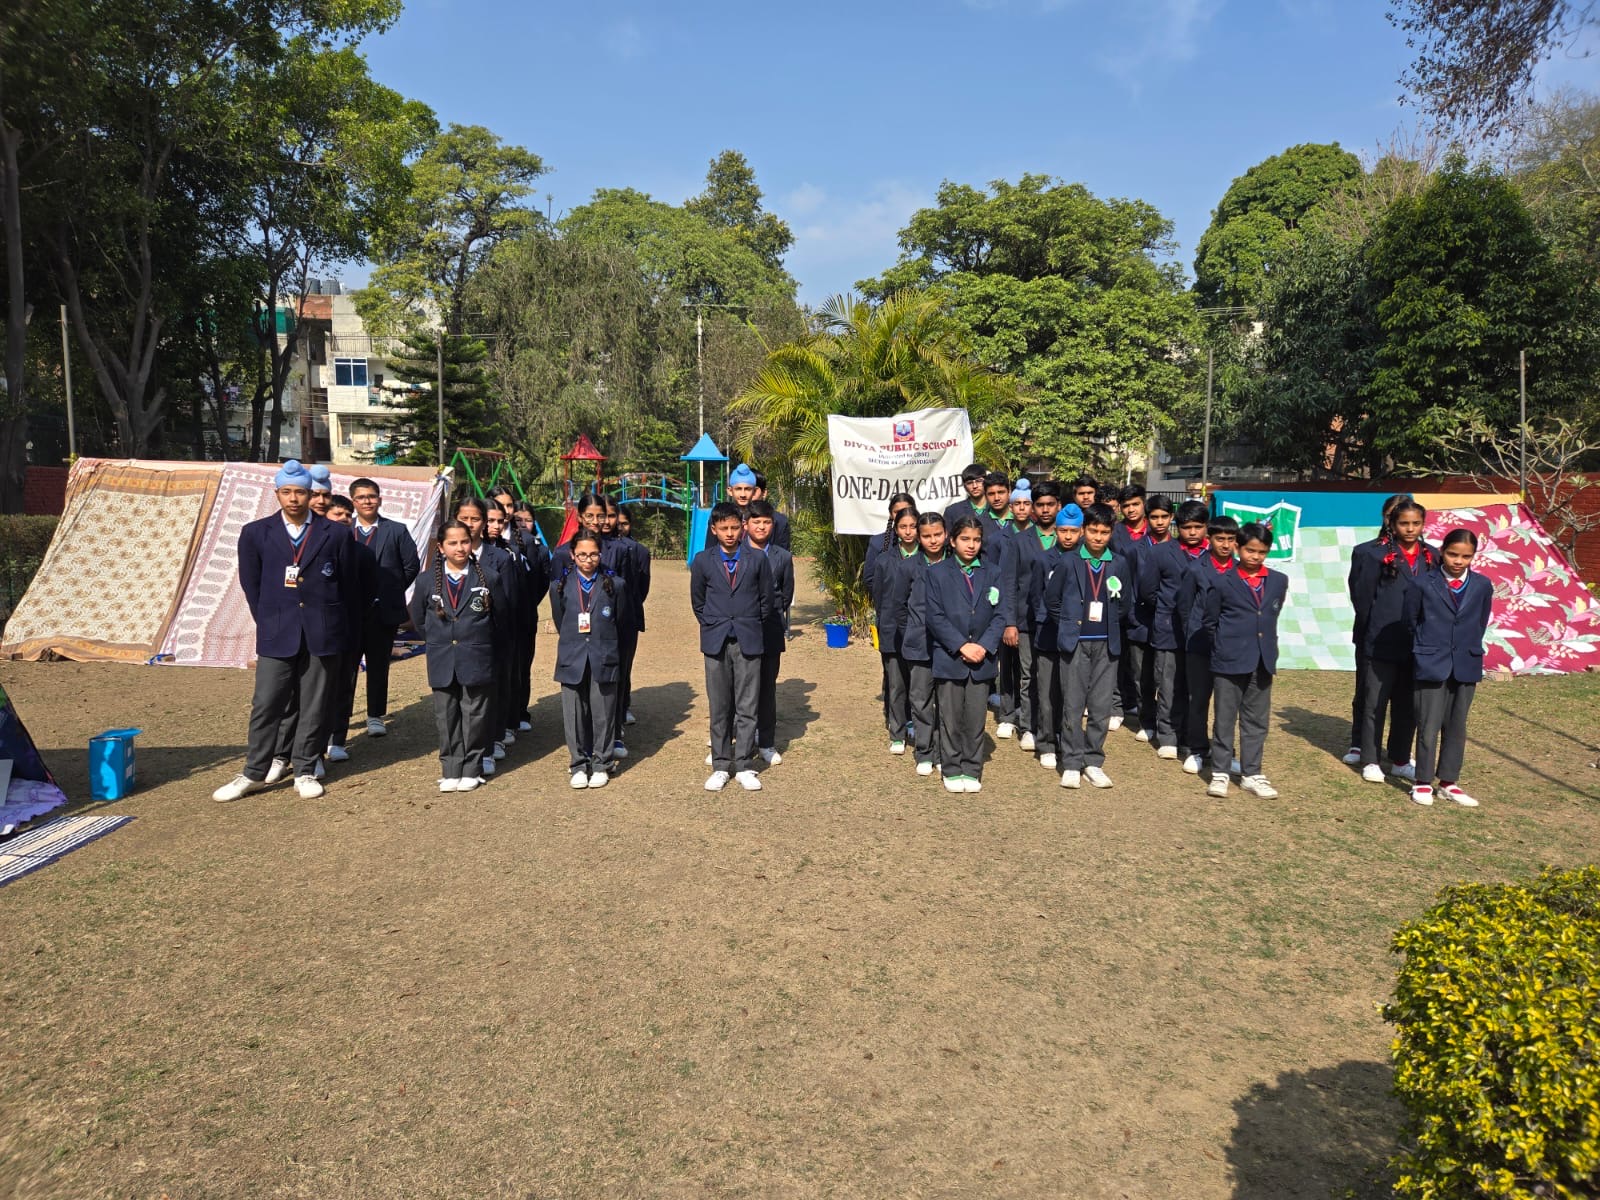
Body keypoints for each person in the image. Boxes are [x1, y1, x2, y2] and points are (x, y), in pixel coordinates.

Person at [213, 460, 364, 802]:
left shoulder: (336, 533)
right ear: (276, 494)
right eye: (286, 492)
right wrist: (270, 621)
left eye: (300, 492)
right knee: (267, 703)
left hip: (322, 632)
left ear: (311, 495)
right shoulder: (256, 532)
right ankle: (253, 771)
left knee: (315, 704)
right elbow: (252, 584)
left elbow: (347, 585)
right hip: (277, 632)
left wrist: (337, 628)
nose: (293, 499)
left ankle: (305, 768)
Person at [410, 519, 506, 794]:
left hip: (477, 656)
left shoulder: (489, 577)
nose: (460, 548)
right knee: (446, 715)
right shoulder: (426, 580)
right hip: (442, 657)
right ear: (441, 547)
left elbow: (500, 619)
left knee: (475, 714)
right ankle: (451, 769)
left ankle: (472, 768)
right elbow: (419, 618)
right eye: (452, 543)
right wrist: (440, 640)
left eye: (464, 541)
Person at [1050, 504, 1137, 790]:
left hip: (1106, 644)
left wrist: (1108, 622)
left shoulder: (1119, 563)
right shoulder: (1069, 561)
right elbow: (1052, 600)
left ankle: (1093, 760)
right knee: (1073, 705)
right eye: (1093, 531)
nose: (1098, 537)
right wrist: (1068, 624)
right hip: (1075, 643)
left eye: (1104, 532)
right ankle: (1072, 762)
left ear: (1112, 532)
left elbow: (1125, 603)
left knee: (1100, 706)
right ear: (1083, 530)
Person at [1351, 498, 1438, 784]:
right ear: (1392, 523)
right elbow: (1363, 599)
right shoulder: (1373, 554)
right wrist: (1371, 634)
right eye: (1404, 523)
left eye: (1416, 523)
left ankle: (1400, 759)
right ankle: (1370, 759)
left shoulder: (1432, 555)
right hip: (1381, 641)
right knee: (1375, 701)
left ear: (1423, 524)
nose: (1410, 529)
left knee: (1408, 704)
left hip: (1416, 644)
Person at [1405, 529, 1492, 807]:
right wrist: (1426, 649)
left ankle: (1448, 782)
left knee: (1456, 725)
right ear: (1442, 551)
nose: (1458, 561)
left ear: (1473, 556)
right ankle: (1422, 781)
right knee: (1428, 724)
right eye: (1453, 554)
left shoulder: (1482, 585)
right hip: (1431, 662)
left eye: (1466, 556)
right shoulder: (1422, 583)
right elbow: (1411, 621)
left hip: (1466, 662)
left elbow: (1480, 622)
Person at [690, 502, 772, 792]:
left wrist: (749, 622)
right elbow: (698, 601)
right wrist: (715, 623)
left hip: (749, 639)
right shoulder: (702, 561)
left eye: (735, 527)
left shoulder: (758, 559)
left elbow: (766, 600)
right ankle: (721, 765)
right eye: (723, 528)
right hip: (716, 641)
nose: (729, 533)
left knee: (748, 706)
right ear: (713, 529)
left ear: (743, 528)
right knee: (720, 706)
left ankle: (745, 765)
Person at [1202, 522, 1288, 800]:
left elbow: (1270, 614)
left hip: (1262, 660)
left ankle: (1252, 773)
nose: (1255, 557)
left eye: (1262, 552)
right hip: (1229, 660)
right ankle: (1220, 772)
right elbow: (1210, 621)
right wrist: (1224, 647)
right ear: (1238, 548)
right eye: (1250, 550)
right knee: (1224, 719)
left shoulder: (1278, 581)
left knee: (1256, 720)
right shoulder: (1222, 582)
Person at [923, 515, 1004, 794]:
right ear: (952, 540)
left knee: (975, 718)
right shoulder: (937, 573)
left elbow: (1000, 614)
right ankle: (951, 767)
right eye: (965, 539)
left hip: (982, 658)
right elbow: (934, 617)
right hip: (950, 658)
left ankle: (971, 768)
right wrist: (960, 645)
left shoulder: (993, 572)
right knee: (950, 717)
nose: (971, 545)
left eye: (977, 540)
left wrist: (984, 645)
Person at [549, 530, 627, 789]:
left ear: (600, 554)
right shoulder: (559, 586)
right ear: (572, 555)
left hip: (603, 655)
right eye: (582, 554)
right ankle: (578, 764)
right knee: (574, 713)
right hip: (572, 656)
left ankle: (602, 763)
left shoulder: (615, 584)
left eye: (593, 554)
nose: (588, 559)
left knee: (603, 712)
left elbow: (620, 621)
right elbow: (561, 619)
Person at [347, 477, 421, 740]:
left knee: (379, 665)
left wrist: (390, 590)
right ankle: (341, 715)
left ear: (379, 499)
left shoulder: (396, 530)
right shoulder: (343, 530)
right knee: (346, 667)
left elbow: (411, 565)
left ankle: (375, 715)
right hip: (350, 613)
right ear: (353, 501)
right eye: (361, 497)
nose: (367, 501)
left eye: (371, 496)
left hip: (382, 612)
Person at [1342, 494, 1413, 766]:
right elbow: (1360, 594)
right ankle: (1360, 742)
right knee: (1368, 692)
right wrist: (1372, 628)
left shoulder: (1428, 554)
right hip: (1372, 635)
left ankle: (1399, 753)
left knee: (1404, 697)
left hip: (1408, 639)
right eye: (1392, 514)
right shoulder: (1367, 552)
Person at [1146, 499, 1209, 762]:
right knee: (1168, 685)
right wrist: (1165, 612)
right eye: (1186, 527)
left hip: (1201, 632)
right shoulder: (1160, 552)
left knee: (1196, 689)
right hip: (1169, 629)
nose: (1192, 532)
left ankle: (1191, 738)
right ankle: (1168, 736)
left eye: (1198, 526)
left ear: (1206, 526)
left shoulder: (1215, 555)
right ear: (1177, 526)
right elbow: (1148, 590)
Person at [1176, 514, 1239, 775]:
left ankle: (1225, 752)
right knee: (1198, 699)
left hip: (1230, 648)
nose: (1225, 545)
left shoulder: (1241, 570)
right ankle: (1197, 749)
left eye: (1231, 539)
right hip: (1200, 644)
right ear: (1209, 539)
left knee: (1227, 705)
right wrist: (1192, 634)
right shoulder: (1195, 569)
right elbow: (1185, 606)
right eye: (1220, 539)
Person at [1031, 502, 1084, 773]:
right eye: (1063, 531)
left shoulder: (1087, 559)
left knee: (1073, 694)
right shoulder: (1044, 559)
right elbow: (1036, 597)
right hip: (1049, 634)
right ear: (1056, 531)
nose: (1068, 536)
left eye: (1073, 531)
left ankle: (1068, 737)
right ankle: (1047, 743)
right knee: (1048, 694)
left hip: (1079, 638)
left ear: (1081, 531)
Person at [895, 513, 949, 777]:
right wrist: (912, 632)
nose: (933, 540)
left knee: (947, 703)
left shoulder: (956, 565)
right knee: (920, 700)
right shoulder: (908, 567)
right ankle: (925, 752)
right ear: (918, 536)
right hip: (918, 646)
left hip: (950, 646)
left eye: (937, 534)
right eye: (927, 536)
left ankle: (943, 753)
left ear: (946, 534)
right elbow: (899, 607)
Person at [745, 500, 793, 765]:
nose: (761, 527)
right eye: (756, 522)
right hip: (741, 629)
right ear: (746, 525)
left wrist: (768, 614)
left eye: (766, 522)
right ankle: (735, 738)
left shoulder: (782, 557)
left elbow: (785, 594)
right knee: (739, 688)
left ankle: (766, 742)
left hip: (770, 630)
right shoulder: (735, 552)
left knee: (766, 688)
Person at [871, 505, 922, 754]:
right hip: (892, 630)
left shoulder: (929, 558)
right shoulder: (883, 560)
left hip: (920, 632)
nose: (909, 531)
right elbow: (879, 597)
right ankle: (897, 732)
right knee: (896, 684)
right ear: (896, 529)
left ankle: (915, 723)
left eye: (913, 526)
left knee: (918, 684)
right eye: (903, 527)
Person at [751, 471, 792, 551]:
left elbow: (782, 555)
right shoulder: (731, 519)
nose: (746, 494)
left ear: (764, 493)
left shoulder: (780, 522)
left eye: (753, 490)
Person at [943, 463, 989, 529]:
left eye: (979, 481)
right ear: (964, 486)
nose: (975, 486)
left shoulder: (996, 507)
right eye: (969, 483)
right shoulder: (952, 511)